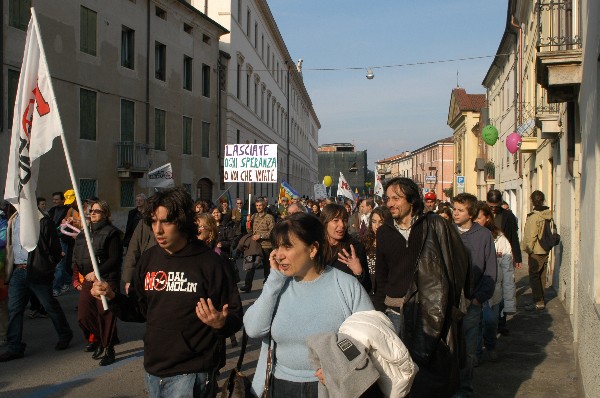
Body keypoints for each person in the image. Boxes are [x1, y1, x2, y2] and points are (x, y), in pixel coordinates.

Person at [91, 187, 243, 397]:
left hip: (191, 373)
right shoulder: (149, 259)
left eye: (166, 222)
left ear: (182, 221)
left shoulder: (211, 263)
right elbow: (139, 310)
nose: (158, 230)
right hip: (153, 370)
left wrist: (221, 323)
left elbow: (235, 315)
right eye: (153, 221)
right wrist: (113, 296)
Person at [244, 212, 374, 397]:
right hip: (280, 385)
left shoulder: (346, 285)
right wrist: (274, 280)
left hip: (331, 387)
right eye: (277, 247)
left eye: (287, 247)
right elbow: (253, 329)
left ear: (312, 249)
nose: (279, 255)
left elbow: (370, 338)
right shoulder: (278, 284)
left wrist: (339, 365)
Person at [374, 177, 471, 397]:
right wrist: (379, 313)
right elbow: (381, 277)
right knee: (397, 375)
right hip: (394, 314)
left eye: (396, 198)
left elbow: (457, 261)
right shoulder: (384, 232)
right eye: (387, 198)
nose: (390, 204)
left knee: (428, 373)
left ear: (412, 199)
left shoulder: (432, 225)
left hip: (427, 311)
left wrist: (457, 302)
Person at [0, 208, 73, 361]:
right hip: (18, 270)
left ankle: (64, 334)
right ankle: (15, 347)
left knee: (48, 305)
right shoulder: (13, 219)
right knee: (14, 309)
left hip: (37, 271)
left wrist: (46, 266)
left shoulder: (43, 221)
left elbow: (55, 249)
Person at [453, 193, 497, 397]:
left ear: (471, 213)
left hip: (473, 302)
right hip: (450, 303)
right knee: (450, 347)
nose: (455, 213)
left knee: (470, 348)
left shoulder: (484, 236)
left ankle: (465, 388)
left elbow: (490, 271)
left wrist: (479, 298)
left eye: (460, 210)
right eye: (454, 209)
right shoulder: (447, 232)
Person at [72, 200, 123, 366]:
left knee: (105, 314)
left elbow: (115, 258)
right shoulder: (83, 234)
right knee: (84, 315)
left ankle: (109, 348)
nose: (92, 213)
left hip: (106, 279)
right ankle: (100, 338)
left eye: (97, 211)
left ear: (106, 214)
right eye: (91, 211)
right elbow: (77, 255)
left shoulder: (112, 233)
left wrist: (97, 272)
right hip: (88, 279)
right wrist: (78, 273)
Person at [473, 202, 516, 364]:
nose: (476, 221)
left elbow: (507, 272)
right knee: (475, 325)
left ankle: (490, 345)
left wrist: (510, 302)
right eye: (474, 217)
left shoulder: (500, 239)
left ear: (487, 218)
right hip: (473, 292)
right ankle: (476, 354)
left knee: (490, 322)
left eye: (479, 218)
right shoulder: (465, 237)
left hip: (493, 292)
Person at [320, 204, 371, 293]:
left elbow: (367, 288)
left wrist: (359, 273)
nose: (342, 225)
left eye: (344, 220)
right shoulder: (314, 247)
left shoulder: (355, 248)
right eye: (336, 220)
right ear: (325, 222)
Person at [521, 190, 552, 311]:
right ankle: (541, 299)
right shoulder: (548, 214)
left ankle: (538, 301)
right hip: (545, 248)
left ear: (532, 201)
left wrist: (528, 249)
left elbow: (531, 236)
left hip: (536, 250)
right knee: (542, 275)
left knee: (534, 276)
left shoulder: (534, 217)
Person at [240, 198, 274, 293]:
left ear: (264, 206)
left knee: (267, 268)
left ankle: (267, 284)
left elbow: (272, 233)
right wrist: (248, 223)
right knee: (251, 266)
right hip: (255, 246)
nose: (259, 207)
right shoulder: (253, 216)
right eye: (257, 205)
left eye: (260, 205)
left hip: (266, 246)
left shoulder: (269, 217)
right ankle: (247, 285)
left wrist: (261, 236)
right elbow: (249, 231)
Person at [360, 206, 391, 296]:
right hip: (367, 292)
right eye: (374, 222)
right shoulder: (364, 242)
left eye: (381, 222)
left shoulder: (393, 243)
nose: (377, 226)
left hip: (385, 293)